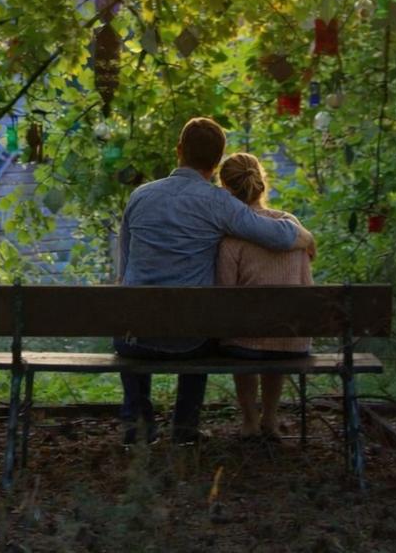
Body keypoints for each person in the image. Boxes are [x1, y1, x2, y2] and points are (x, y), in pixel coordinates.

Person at [115, 118, 316, 445]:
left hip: (134, 338)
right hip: (189, 341)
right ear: (217, 160)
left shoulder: (140, 196)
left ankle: (138, 426)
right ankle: (184, 429)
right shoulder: (218, 202)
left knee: (133, 315)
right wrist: (303, 235)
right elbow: (273, 235)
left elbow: (124, 270)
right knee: (202, 325)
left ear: (179, 150)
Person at [216, 152, 315, 438]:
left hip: (244, 345)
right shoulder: (292, 226)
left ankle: (249, 421)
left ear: (225, 189)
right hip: (292, 341)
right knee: (277, 333)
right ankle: (270, 418)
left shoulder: (231, 239)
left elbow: (223, 295)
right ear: (261, 181)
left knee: (243, 334)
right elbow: (306, 283)